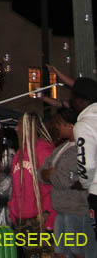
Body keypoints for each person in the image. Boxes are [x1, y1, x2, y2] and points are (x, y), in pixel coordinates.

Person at [41, 108, 97, 258]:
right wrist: (52, 174)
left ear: (71, 126)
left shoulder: (80, 149)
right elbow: (42, 174)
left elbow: (65, 181)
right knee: (60, 252)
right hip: (60, 210)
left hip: (77, 210)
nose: (56, 127)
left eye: (59, 124)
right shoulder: (60, 149)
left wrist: (53, 174)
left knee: (79, 252)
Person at [9, 112, 56, 255]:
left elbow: (52, 187)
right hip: (22, 220)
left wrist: (49, 219)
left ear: (29, 128)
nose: (16, 129)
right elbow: (16, 188)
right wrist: (13, 214)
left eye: (19, 125)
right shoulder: (19, 153)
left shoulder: (44, 151)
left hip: (40, 219)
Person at [71, 77, 97, 238]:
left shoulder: (85, 124)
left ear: (81, 101)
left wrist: (83, 183)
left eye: (73, 99)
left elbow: (86, 164)